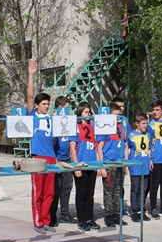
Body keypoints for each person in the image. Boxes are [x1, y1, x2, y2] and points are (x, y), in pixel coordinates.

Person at [26, 60, 56, 234]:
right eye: (44, 104)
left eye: (47, 104)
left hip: (51, 158)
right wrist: (31, 75)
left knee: (49, 193)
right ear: (37, 105)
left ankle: (46, 221)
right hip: (38, 158)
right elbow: (30, 96)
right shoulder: (33, 116)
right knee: (37, 193)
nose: (46, 106)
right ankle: (37, 223)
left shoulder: (51, 119)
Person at [70, 102, 103, 231]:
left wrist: (99, 165)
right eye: (85, 112)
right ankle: (81, 219)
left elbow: (96, 148)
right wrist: (76, 167)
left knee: (90, 194)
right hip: (81, 165)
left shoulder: (93, 128)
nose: (88, 114)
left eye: (89, 112)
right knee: (81, 194)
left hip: (92, 165)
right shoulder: (76, 128)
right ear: (80, 113)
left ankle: (89, 218)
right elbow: (72, 148)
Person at [97, 102, 128, 227]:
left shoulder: (122, 127)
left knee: (118, 190)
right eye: (114, 115)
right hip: (109, 163)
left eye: (118, 115)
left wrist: (126, 163)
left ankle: (117, 214)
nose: (116, 117)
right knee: (109, 191)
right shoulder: (105, 128)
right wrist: (102, 166)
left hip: (120, 162)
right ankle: (109, 216)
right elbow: (99, 148)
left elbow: (125, 145)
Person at [50, 95, 76, 226]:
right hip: (56, 160)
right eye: (67, 108)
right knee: (55, 191)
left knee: (66, 189)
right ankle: (52, 216)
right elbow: (50, 143)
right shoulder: (52, 121)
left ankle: (65, 214)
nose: (68, 111)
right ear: (60, 107)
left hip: (67, 159)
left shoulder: (68, 122)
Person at [127, 113, 154, 222]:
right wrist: (127, 164)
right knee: (135, 189)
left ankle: (141, 209)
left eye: (146, 123)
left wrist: (150, 160)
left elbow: (149, 148)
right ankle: (134, 211)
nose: (145, 125)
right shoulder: (131, 135)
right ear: (137, 123)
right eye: (143, 123)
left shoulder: (147, 134)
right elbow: (127, 148)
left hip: (145, 164)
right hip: (135, 165)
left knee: (143, 189)